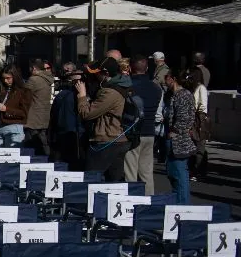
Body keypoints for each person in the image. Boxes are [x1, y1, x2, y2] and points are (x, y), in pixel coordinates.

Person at [76, 58, 129, 181]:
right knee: (113, 182)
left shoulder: (110, 93)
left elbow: (87, 114)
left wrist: (82, 96)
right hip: (115, 139)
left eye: (96, 73)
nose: (94, 76)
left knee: (91, 179)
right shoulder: (118, 86)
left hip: (107, 140)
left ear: (106, 73)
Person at [124, 57, 162, 194]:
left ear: (130, 68)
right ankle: (149, 202)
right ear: (146, 69)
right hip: (149, 132)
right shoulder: (156, 88)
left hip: (132, 132)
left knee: (130, 172)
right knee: (146, 173)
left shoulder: (128, 86)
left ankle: (132, 202)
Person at [163, 69, 197, 204]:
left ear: (173, 78)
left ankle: (183, 205)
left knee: (179, 174)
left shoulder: (182, 95)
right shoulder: (173, 95)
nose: (165, 81)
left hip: (179, 142)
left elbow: (184, 117)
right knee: (174, 174)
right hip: (174, 139)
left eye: (166, 77)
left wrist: (174, 132)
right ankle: (178, 203)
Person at [0, 66, 31, 148]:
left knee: (11, 159)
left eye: (8, 78)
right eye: (3, 78)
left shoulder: (24, 91)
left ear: (15, 77)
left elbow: (24, 113)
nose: (5, 81)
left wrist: (6, 109)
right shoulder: (0, 88)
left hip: (13, 127)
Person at [23, 58, 54, 155]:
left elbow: (23, 95)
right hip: (44, 116)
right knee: (43, 142)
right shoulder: (47, 79)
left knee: (32, 146)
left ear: (33, 68)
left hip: (33, 119)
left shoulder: (34, 80)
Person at [188, 67, 209, 181]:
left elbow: (203, 106)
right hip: (194, 119)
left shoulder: (201, 88)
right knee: (194, 145)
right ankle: (197, 169)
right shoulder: (192, 88)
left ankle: (198, 170)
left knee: (200, 146)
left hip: (199, 120)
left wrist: (200, 122)